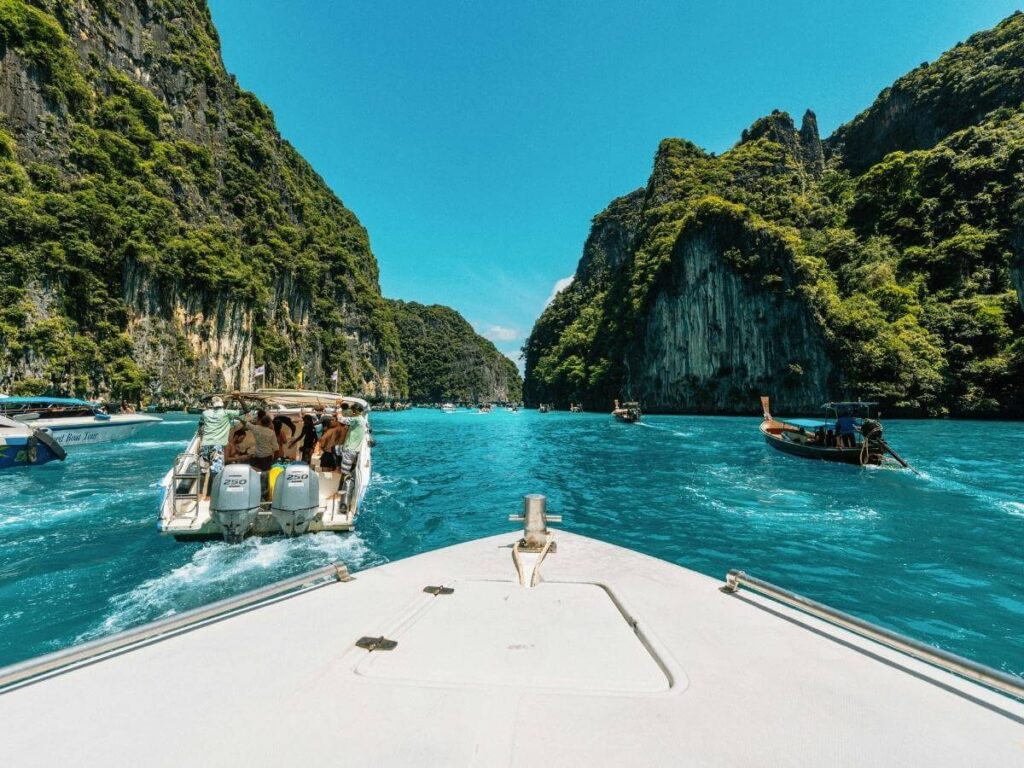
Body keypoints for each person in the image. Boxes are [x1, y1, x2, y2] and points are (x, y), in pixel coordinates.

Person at [199, 396, 240, 484]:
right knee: (216, 471)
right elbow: (246, 410)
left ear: (212, 405)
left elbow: (200, 426)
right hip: (217, 445)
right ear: (222, 404)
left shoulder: (205, 413)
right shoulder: (226, 413)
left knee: (203, 470)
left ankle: (201, 493)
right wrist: (239, 398)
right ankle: (213, 494)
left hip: (205, 444)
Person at [335, 402, 367, 476]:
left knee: (345, 472)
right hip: (353, 448)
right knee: (334, 449)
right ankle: (337, 468)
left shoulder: (356, 420)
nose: (352, 413)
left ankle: (344, 482)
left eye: (353, 411)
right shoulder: (362, 420)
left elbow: (340, 419)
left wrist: (338, 409)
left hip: (350, 449)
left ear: (355, 411)